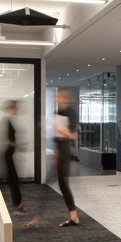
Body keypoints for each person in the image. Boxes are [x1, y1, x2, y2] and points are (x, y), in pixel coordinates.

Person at [54, 88, 80, 227]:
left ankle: (74, 216)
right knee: (62, 183)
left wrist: (59, 129)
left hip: (65, 150)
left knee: (63, 183)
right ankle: (73, 215)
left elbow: (73, 135)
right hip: (60, 150)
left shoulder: (71, 112)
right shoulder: (58, 112)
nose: (56, 100)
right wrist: (55, 157)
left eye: (57, 98)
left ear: (64, 99)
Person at [1, 99, 26, 213]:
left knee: (13, 180)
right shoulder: (7, 121)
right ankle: (18, 205)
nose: (17, 109)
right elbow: (8, 141)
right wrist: (20, 144)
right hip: (8, 155)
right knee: (14, 180)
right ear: (11, 108)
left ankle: (18, 204)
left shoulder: (10, 120)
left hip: (10, 154)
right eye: (15, 107)